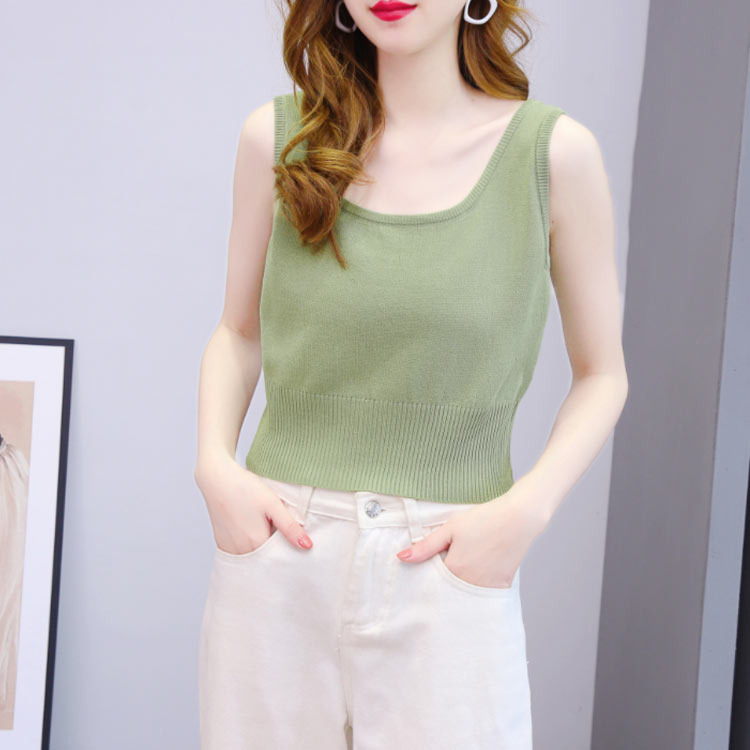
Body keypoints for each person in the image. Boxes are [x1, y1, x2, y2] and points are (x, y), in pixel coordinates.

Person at [194, 0, 627, 747]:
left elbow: (603, 374)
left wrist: (526, 511)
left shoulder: (553, 155)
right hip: (279, 562)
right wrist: (213, 465)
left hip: (447, 569)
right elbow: (236, 333)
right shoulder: (279, 136)